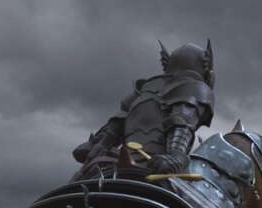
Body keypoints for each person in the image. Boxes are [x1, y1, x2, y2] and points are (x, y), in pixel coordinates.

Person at [72, 40, 215, 177]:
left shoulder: (144, 88)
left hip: (118, 162)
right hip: (155, 167)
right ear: (205, 66)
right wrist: (176, 156)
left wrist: (98, 145)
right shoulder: (194, 88)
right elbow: (181, 122)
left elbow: (115, 126)